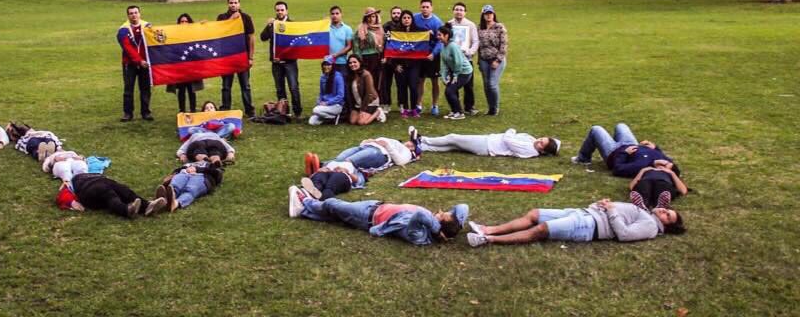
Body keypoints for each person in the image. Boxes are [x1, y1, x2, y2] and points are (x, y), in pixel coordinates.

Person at [465, 197, 684, 247]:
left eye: (668, 216)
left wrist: (611, 211)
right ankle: (489, 228)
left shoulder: (651, 227)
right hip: (583, 213)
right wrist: (602, 204)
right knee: (534, 214)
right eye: (668, 210)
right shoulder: (645, 212)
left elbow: (624, 235)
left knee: (541, 229)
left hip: (589, 226)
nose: (665, 211)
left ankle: (488, 239)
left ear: (666, 226)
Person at [287, 193, 469, 246]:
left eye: (442, 215)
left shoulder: (420, 235)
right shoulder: (431, 223)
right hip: (375, 206)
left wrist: (437, 231)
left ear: (439, 225)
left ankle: (306, 202)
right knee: (335, 215)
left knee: (334, 204)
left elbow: (420, 215)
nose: (439, 211)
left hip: (367, 217)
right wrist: (454, 224)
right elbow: (463, 206)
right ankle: (305, 211)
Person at [572, 123, 679, 178]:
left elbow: (618, 169)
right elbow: (665, 158)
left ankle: (583, 158)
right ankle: (613, 140)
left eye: (663, 166)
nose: (664, 162)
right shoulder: (665, 159)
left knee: (596, 129)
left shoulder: (641, 166)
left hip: (613, 152)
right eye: (667, 163)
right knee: (621, 125)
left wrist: (624, 153)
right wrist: (655, 147)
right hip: (631, 143)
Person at [216, 0, 256, 117]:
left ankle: (249, 110)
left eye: (235, 2)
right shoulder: (222, 17)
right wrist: (231, 20)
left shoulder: (246, 18)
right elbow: (218, 33)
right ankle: (225, 109)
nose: (233, 5)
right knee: (226, 86)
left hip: (242, 57)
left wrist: (250, 57)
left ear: (239, 4)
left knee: (245, 85)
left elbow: (251, 37)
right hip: (227, 58)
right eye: (231, 3)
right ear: (228, 4)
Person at [260, 0, 301, 117]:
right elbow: (263, 37)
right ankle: (284, 111)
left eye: (282, 10)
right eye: (277, 10)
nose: (280, 12)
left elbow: (298, 43)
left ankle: (297, 111)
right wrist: (268, 25)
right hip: (276, 62)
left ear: (286, 11)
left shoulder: (292, 24)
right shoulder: (273, 24)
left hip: (290, 62)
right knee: (279, 88)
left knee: (293, 87)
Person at [411, 126, 560, 158]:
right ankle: (421, 147)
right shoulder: (531, 140)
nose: (539, 140)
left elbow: (508, 139)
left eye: (542, 143)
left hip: (486, 145)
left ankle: (421, 139)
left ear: (542, 151)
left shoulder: (529, 150)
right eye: (542, 138)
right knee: (452, 146)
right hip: (488, 141)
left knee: (453, 137)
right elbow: (522, 134)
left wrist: (510, 130)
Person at [57, 174, 164, 218]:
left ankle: (147, 206)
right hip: (88, 190)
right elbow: (62, 196)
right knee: (108, 193)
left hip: (103, 183)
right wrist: (72, 202)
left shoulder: (88, 171)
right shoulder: (70, 182)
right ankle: (126, 210)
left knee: (124, 190)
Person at [305, 135, 419, 174]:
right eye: (410, 142)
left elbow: (400, 161)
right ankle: (319, 165)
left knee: (349, 160)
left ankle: (322, 168)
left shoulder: (407, 153)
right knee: (340, 158)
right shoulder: (397, 142)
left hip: (380, 153)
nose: (409, 144)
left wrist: (387, 146)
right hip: (366, 146)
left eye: (413, 145)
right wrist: (367, 141)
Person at [117, 4, 153, 122]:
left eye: (135, 12)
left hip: (145, 64)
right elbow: (128, 48)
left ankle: (146, 112)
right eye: (131, 13)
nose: (134, 15)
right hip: (130, 64)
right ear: (128, 16)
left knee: (145, 88)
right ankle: (128, 113)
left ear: (140, 14)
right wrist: (138, 61)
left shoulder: (147, 27)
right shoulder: (123, 30)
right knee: (128, 89)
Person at [155, 158, 225, 213]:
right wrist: (172, 175)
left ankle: (175, 203)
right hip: (184, 173)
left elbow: (218, 174)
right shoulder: (188, 164)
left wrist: (197, 169)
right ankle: (165, 199)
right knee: (174, 186)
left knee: (190, 190)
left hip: (202, 177)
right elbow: (177, 171)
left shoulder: (211, 165)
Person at [166, 13, 204, 113]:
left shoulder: (194, 34)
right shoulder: (174, 36)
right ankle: (182, 110)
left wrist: (203, 26)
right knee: (181, 90)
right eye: (181, 21)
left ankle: (193, 110)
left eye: (186, 21)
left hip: (191, 67)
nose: (184, 23)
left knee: (192, 89)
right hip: (180, 68)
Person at [413, 0, 444, 115]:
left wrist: (433, 53)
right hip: (419, 55)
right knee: (420, 81)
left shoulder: (437, 22)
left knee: (435, 81)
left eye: (427, 7)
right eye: (423, 7)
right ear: (420, 7)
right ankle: (418, 104)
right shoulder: (415, 18)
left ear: (432, 8)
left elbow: (440, 41)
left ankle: (434, 105)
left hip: (432, 56)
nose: (425, 9)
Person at [437, 25, 475, 119]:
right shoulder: (443, 46)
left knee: (450, 90)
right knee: (448, 91)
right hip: (455, 72)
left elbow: (459, 62)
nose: (438, 37)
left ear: (446, 36)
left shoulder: (453, 46)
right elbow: (444, 63)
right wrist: (444, 76)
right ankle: (454, 111)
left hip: (464, 72)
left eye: (439, 35)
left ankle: (459, 113)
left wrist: (455, 75)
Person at [476, 4, 508, 116]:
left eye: (490, 13)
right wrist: (479, 60)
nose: (488, 16)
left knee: (492, 84)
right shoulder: (479, 27)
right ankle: (491, 107)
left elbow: (504, 45)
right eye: (486, 14)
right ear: (483, 15)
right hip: (484, 60)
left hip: (496, 59)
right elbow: (478, 46)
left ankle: (495, 108)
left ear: (493, 14)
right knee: (486, 85)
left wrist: (498, 60)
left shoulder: (499, 27)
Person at [393, 10, 424, 118]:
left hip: (414, 65)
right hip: (400, 65)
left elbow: (426, 39)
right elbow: (391, 50)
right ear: (401, 20)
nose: (406, 20)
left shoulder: (418, 32)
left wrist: (429, 34)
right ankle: (404, 108)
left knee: (413, 86)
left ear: (412, 19)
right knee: (402, 86)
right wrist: (395, 65)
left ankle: (414, 108)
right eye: (404, 18)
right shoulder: (395, 33)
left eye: (408, 18)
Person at [345, 54, 383, 125]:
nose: (352, 64)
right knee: (352, 121)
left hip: (370, 101)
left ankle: (378, 112)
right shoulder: (351, 75)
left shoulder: (366, 74)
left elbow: (369, 94)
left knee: (361, 122)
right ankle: (364, 113)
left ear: (360, 63)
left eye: (355, 62)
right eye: (350, 63)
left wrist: (362, 110)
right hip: (358, 103)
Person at [299, 160, 365, 200]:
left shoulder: (353, 167)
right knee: (318, 177)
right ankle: (312, 192)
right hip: (326, 173)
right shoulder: (331, 163)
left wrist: (347, 172)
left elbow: (357, 180)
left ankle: (323, 198)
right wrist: (317, 171)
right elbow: (313, 175)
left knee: (335, 179)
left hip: (343, 176)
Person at [379, 6, 403, 111]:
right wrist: (383, 56)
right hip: (387, 59)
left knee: (401, 83)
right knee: (386, 83)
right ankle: (386, 103)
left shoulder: (405, 26)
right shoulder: (386, 26)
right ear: (391, 14)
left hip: (400, 60)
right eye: (394, 13)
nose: (396, 15)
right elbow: (383, 43)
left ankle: (401, 104)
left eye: (398, 13)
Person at [308, 57, 345, 125]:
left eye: (328, 65)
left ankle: (332, 117)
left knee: (316, 110)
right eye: (324, 65)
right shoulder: (322, 77)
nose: (326, 67)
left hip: (336, 105)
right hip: (324, 105)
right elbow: (321, 93)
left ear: (333, 66)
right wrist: (319, 101)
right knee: (312, 122)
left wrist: (327, 103)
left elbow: (340, 95)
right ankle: (330, 118)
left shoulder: (338, 77)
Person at [354, 7, 384, 90]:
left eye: (373, 16)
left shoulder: (380, 28)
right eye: (369, 17)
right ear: (365, 18)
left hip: (377, 57)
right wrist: (359, 60)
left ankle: (376, 99)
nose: (371, 19)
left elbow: (384, 44)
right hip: (365, 57)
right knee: (366, 78)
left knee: (376, 78)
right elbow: (356, 46)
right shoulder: (361, 28)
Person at [328, 6, 354, 79]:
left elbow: (349, 46)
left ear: (341, 14)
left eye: (337, 13)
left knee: (343, 84)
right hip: (328, 62)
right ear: (330, 15)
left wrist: (336, 55)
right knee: (330, 85)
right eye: (332, 14)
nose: (335, 15)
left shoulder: (347, 29)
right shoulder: (326, 28)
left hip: (342, 62)